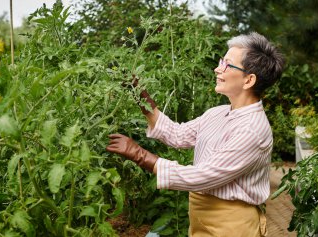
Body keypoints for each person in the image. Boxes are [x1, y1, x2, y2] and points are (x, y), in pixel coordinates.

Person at [106, 32, 285, 237]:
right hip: (202, 216)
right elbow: (177, 134)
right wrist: (140, 95)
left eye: (227, 64)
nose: (218, 69)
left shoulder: (252, 130)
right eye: (221, 61)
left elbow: (204, 175)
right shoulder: (218, 113)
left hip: (232, 224)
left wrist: (141, 156)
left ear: (248, 80)